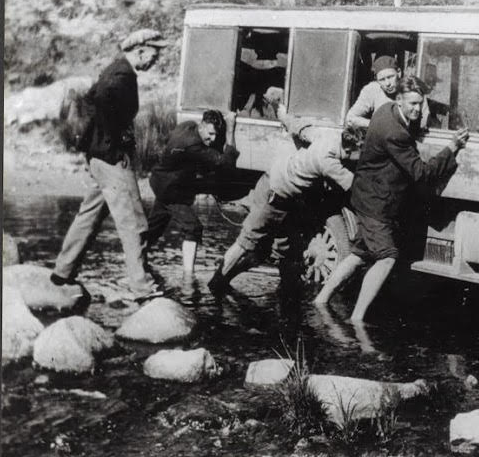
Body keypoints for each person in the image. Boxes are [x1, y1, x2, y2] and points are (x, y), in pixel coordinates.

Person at [313, 75, 469, 322]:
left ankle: (321, 300)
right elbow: (422, 173)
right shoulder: (395, 133)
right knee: (387, 258)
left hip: (366, 196)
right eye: (412, 104)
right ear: (399, 100)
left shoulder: (385, 111)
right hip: (377, 203)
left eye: (420, 103)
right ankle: (357, 319)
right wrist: (451, 148)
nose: (417, 109)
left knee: (359, 254)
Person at [49, 28, 169, 302]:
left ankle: (62, 271)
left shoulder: (115, 70)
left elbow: (96, 103)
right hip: (111, 160)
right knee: (134, 222)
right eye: (154, 52)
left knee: (89, 215)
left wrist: (102, 145)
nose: (156, 58)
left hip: (98, 159)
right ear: (140, 50)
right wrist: (113, 147)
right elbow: (102, 102)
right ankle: (142, 287)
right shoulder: (121, 76)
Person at [207, 115, 359, 293]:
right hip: (274, 194)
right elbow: (355, 186)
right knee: (246, 242)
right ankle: (215, 283)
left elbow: (300, 127)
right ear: (350, 150)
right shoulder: (329, 162)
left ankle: (227, 281)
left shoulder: (325, 138)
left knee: (272, 251)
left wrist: (283, 116)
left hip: (279, 188)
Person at [143, 109, 239, 290]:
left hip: (164, 181)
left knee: (155, 228)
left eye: (215, 135)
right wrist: (231, 130)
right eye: (210, 134)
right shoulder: (192, 145)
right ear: (202, 126)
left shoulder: (188, 126)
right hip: (170, 189)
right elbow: (227, 163)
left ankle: (136, 261)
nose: (212, 139)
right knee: (193, 228)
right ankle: (189, 278)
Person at [346, 55, 429, 131]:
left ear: (399, 73)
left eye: (390, 77)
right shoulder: (372, 89)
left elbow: (423, 123)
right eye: (382, 79)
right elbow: (350, 118)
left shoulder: (412, 88)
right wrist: (379, 125)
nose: (387, 83)